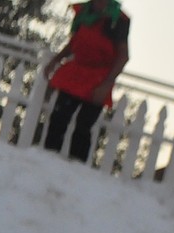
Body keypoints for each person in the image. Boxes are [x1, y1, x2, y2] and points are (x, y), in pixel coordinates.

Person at [42, 0, 129, 163]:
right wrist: (55, 60)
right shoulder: (83, 11)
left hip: (99, 77)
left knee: (84, 125)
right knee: (59, 117)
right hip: (77, 71)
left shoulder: (119, 19)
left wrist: (106, 84)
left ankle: (77, 168)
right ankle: (48, 160)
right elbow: (74, 42)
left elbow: (123, 56)